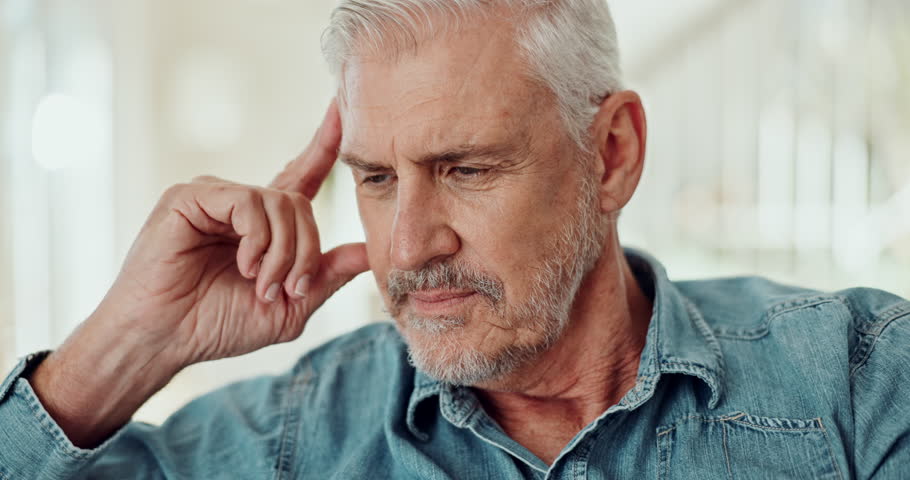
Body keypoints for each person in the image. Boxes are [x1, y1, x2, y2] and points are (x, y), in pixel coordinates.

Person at [1, 0, 908, 478]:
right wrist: (124, 344)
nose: (406, 248)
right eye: (376, 178)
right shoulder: (294, 437)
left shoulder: (860, 380)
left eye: (467, 168)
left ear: (613, 155)